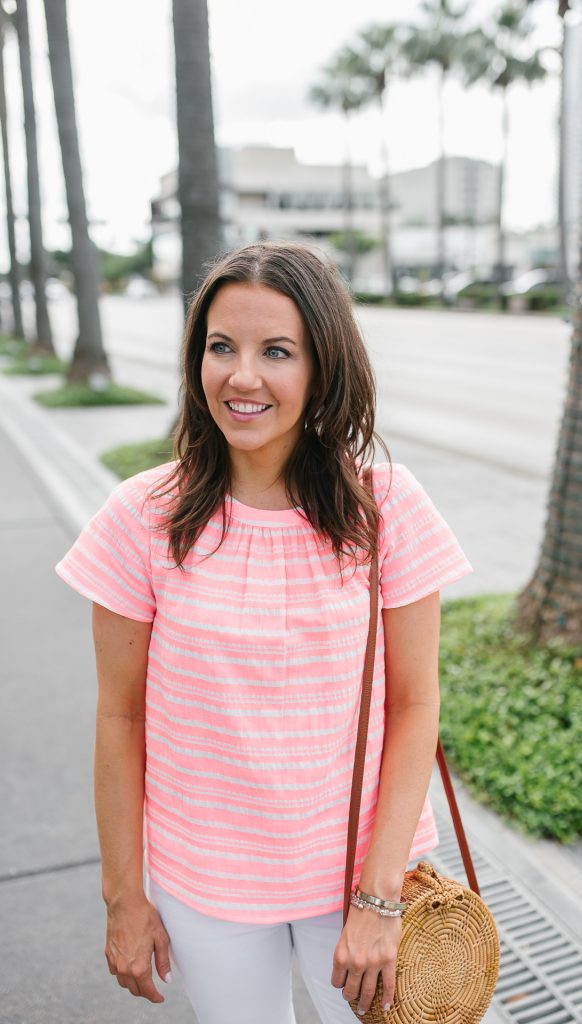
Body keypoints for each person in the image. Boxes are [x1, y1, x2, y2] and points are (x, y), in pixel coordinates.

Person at [56, 241, 474, 1024]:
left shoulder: (386, 506)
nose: (241, 376)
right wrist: (123, 897)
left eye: (275, 351)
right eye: (222, 347)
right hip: (207, 884)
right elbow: (121, 715)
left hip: (364, 877)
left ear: (322, 367)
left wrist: (381, 897)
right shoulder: (140, 517)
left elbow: (417, 703)